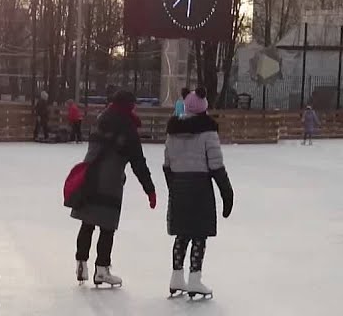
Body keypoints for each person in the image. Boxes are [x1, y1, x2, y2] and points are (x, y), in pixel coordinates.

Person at [68, 90, 156, 287]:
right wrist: (149, 189)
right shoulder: (127, 127)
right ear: (129, 106)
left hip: (90, 175)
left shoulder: (101, 119)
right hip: (110, 180)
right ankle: (102, 269)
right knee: (107, 227)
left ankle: (81, 263)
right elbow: (138, 161)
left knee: (87, 222)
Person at [163, 88, 234, 299]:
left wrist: (173, 187)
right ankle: (194, 279)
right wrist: (227, 193)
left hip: (179, 186)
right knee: (199, 234)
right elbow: (216, 166)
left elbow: (167, 165)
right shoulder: (208, 132)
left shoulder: (173, 131)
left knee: (182, 233)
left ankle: (177, 276)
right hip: (200, 188)